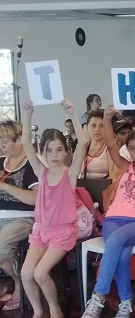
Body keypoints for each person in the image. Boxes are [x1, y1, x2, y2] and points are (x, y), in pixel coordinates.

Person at [81, 105, 135, 318]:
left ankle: (98, 295)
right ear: (127, 150)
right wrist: (108, 118)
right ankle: (125, 303)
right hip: (112, 219)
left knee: (115, 242)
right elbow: (110, 144)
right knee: (120, 253)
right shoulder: (124, 166)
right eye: (132, 148)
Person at [19, 99, 85, 318]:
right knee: (26, 272)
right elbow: (27, 143)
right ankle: (38, 311)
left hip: (63, 231)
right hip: (41, 231)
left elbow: (83, 144)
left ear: (65, 151)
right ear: (44, 153)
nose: (54, 155)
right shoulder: (42, 172)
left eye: (59, 150)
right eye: (49, 151)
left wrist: (73, 113)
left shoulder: (70, 174)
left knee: (39, 272)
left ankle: (55, 308)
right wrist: (28, 115)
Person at [0, 119, 39, 311]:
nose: (1, 146)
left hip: (23, 217)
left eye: (5, 142)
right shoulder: (1, 162)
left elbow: (36, 199)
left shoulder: (32, 163)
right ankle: (6, 282)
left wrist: (5, 186)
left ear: (19, 140)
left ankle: (18, 283)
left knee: (1, 245)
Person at [80, 110, 116, 179]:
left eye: (101, 126)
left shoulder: (110, 148)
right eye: (93, 126)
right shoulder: (82, 148)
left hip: (104, 188)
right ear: (87, 128)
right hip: (82, 187)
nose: (97, 129)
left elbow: (113, 176)